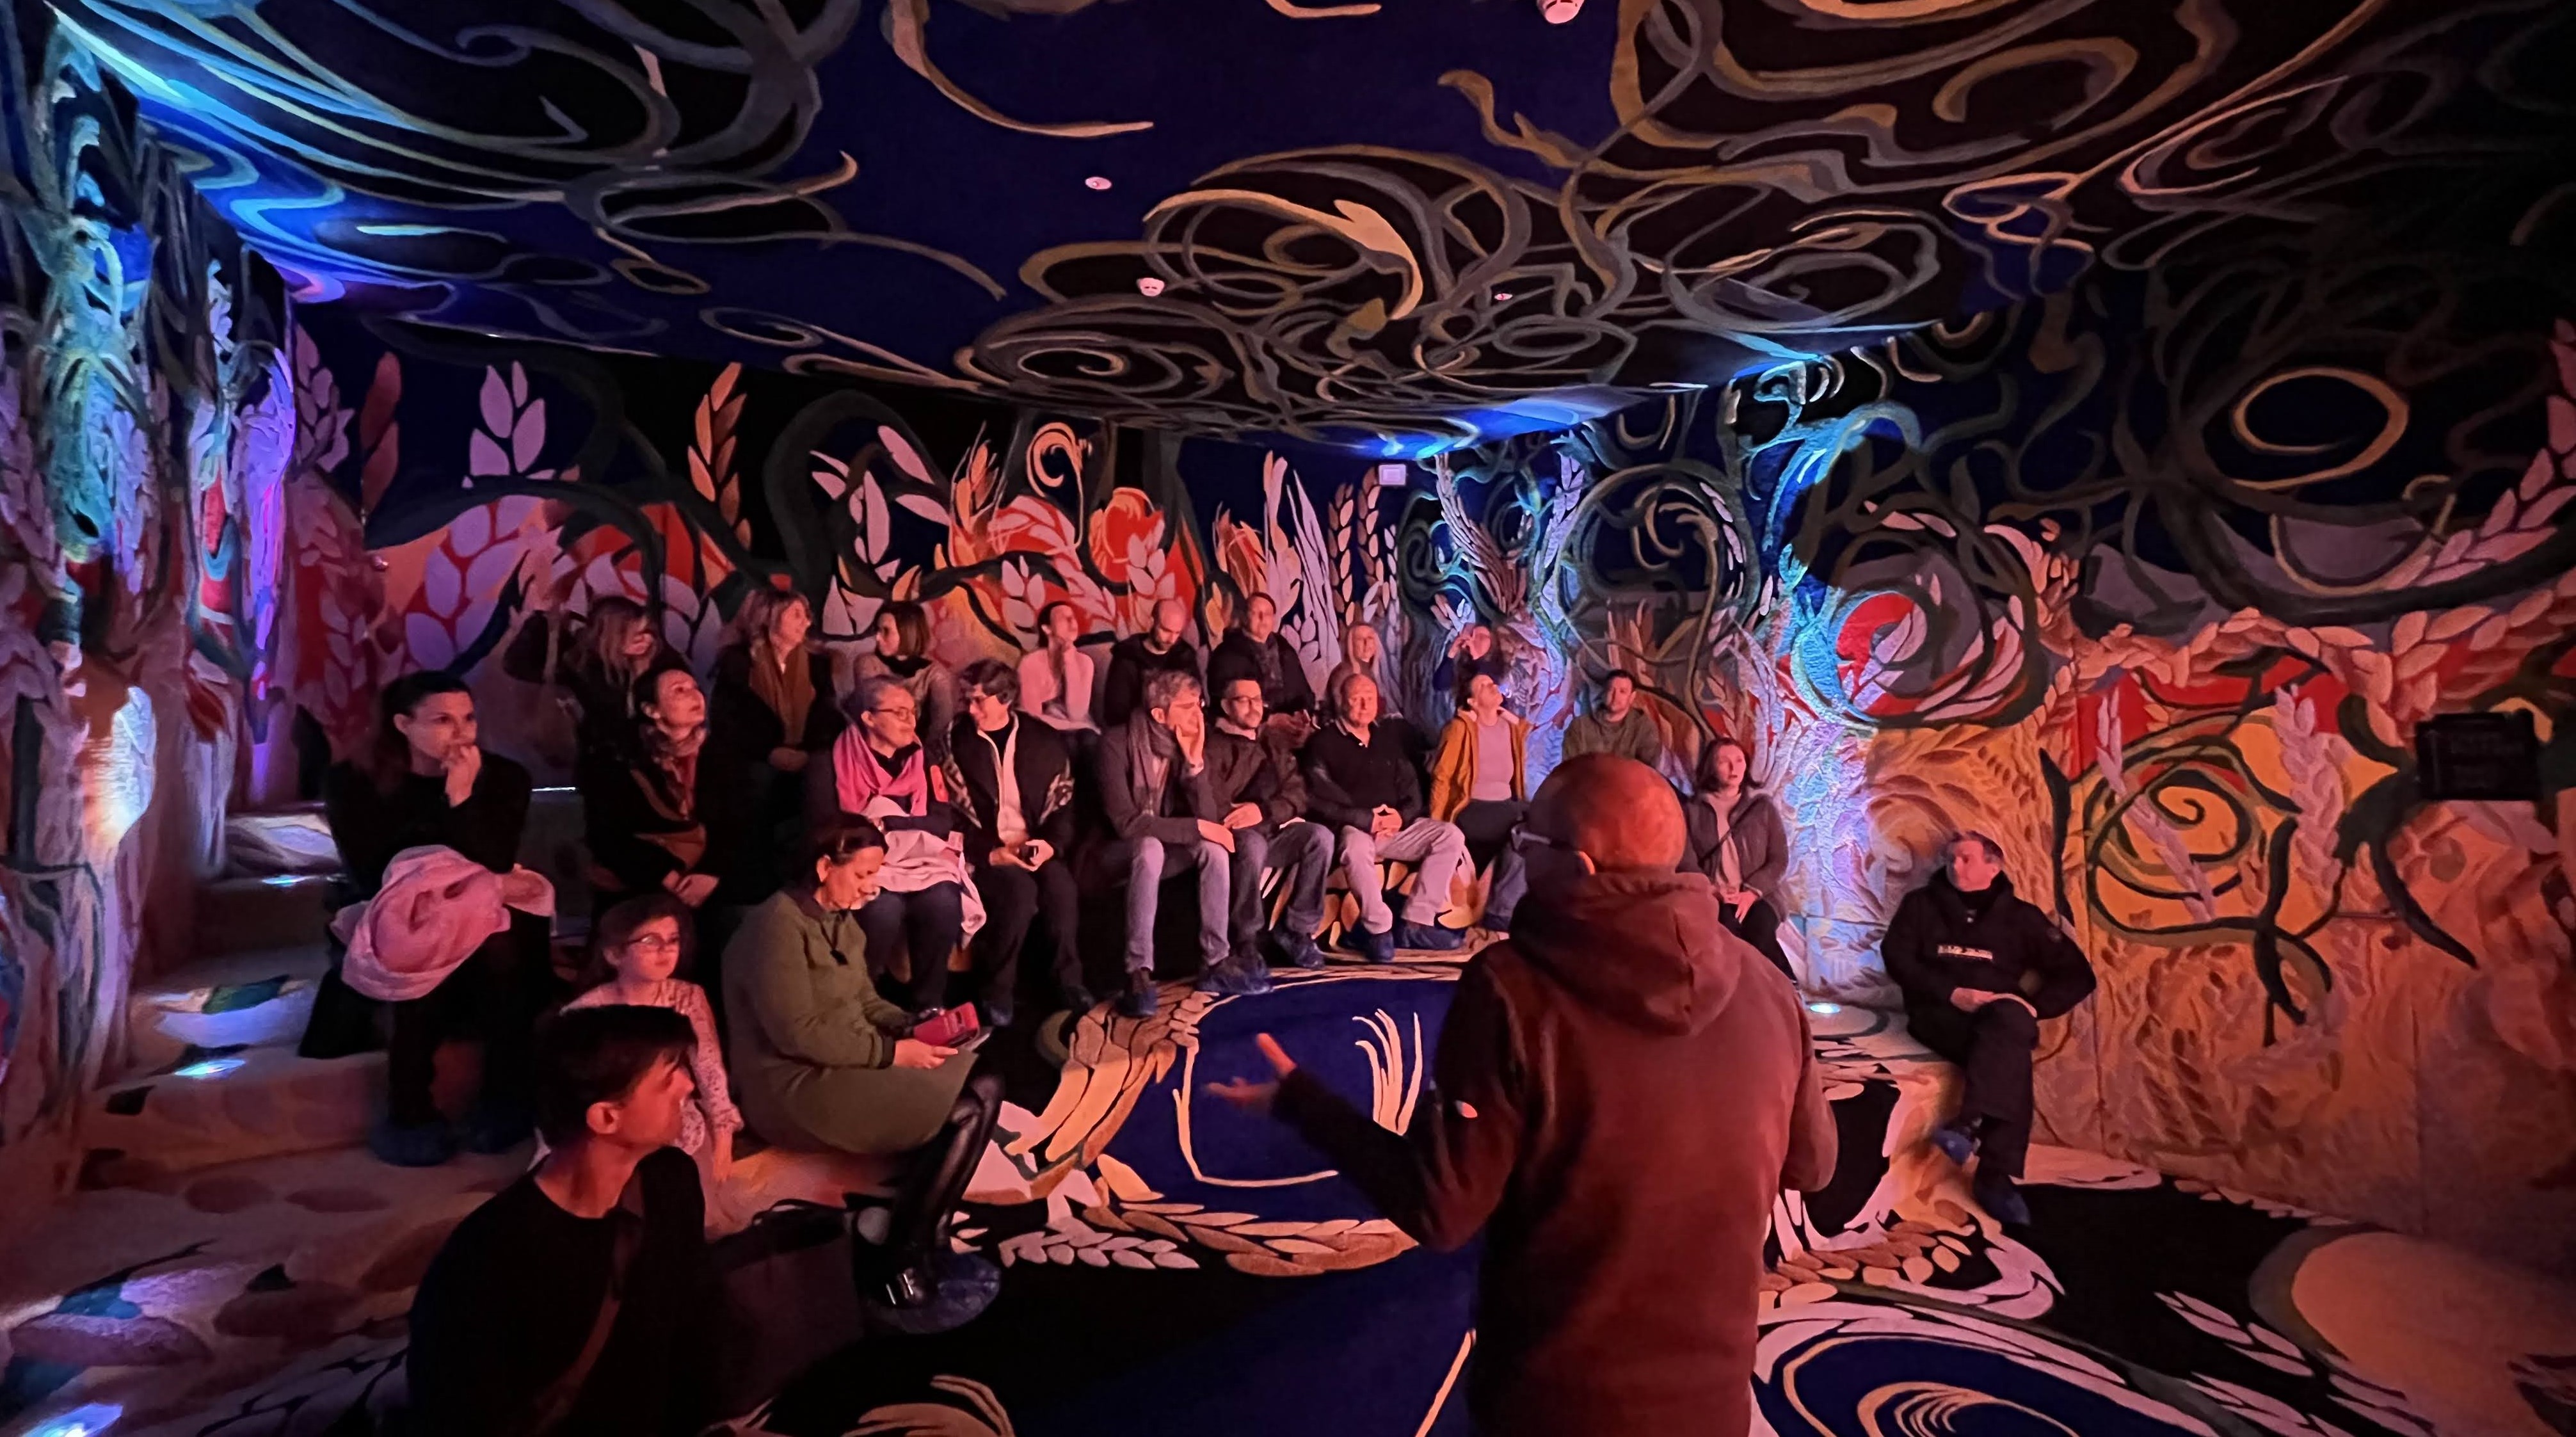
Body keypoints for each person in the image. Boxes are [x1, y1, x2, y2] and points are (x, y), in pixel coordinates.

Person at [1210, 755, 1837, 1437]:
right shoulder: (1768, 985)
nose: (1518, 854)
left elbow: (1442, 1207)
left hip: (1553, 1401)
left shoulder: (1509, 988)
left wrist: (1304, 1104)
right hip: (1712, 1405)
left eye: (1528, 840)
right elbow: (1813, 1165)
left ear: (1578, 866)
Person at [722, 820, 1005, 1303]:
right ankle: (901, 1256)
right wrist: (894, 1053)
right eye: (863, 874)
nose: (872, 887)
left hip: (844, 1058)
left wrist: (912, 1025)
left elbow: (865, 1001)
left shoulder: (839, 919)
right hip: (792, 1084)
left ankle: (929, 1230)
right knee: (966, 1109)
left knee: (988, 1078)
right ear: (823, 867)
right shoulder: (774, 928)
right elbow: (799, 1034)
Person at [405, 1004, 716, 1436]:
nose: (688, 1084)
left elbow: (684, 1324)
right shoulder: (488, 1259)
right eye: (668, 1078)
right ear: (606, 1117)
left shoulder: (670, 1180)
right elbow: (458, 1412)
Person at [306, 671, 552, 1167]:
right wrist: (445, 817)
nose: (461, 734)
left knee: (496, 941)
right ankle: (409, 1108)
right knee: (422, 940)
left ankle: (503, 1095)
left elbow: (493, 859)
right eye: (442, 720)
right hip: (391, 906)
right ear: (403, 724)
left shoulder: (503, 776)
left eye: (468, 719)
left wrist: (461, 797)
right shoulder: (352, 781)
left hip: (480, 900)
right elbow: (372, 871)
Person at [1880, 832, 2097, 1227]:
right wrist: (1952, 993)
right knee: (2011, 1050)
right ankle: (1993, 1174)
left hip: (1998, 1018)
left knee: (2010, 1025)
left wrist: (2035, 1007)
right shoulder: (1921, 906)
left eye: (1965, 858)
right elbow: (1897, 958)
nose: (1954, 866)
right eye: (1951, 859)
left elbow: (2079, 975)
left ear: (1993, 866)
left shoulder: (2022, 918)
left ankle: (1968, 1125)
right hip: (1938, 1016)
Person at [1096, 670, 1268, 1016]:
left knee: (1213, 848)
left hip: (1166, 847)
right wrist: (1199, 827)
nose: (1198, 714)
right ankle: (1138, 973)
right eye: (1187, 707)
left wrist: (1194, 765)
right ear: (1159, 714)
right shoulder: (1116, 743)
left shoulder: (1184, 743)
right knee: (1150, 847)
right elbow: (1126, 823)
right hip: (1115, 852)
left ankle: (1215, 961)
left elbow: (1208, 818)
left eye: (1199, 705)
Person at [809, 677, 977, 1012]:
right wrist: (884, 832)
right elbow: (824, 827)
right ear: (869, 718)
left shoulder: (923, 759)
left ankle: (928, 1006)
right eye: (899, 712)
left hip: (919, 862)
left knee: (944, 901)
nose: (910, 721)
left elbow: (941, 820)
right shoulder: (830, 761)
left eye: (913, 712)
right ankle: (861, 1003)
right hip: (864, 865)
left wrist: (890, 823)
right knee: (883, 910)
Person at [561, 895, 741, 1193]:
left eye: (673, 940)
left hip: (669, 1109)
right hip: (612, 1117)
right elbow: (570, 1091)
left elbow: (709, 1067)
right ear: (614, 954)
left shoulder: (688, 997)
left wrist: (723, 1133)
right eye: (650, 941)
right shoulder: (586, 1012)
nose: (666, 950)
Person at [945, 659, 1087, 1024]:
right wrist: (990, 853)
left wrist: (1051, 845)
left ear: (1005, 699)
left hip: (1034, 844)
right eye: (967, 700)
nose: (970, 709)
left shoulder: (1042, 739)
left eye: (979, 701)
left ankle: (1069, 983)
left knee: (1060, 888)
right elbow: (946, 814)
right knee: (1018, 893)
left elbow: (1065, 806)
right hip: (985, 852)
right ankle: (996, 992)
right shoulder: (952, 742)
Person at [1301, 671, 1469, 962]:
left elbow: (1411, 788)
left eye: (1370, 698)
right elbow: (1318, 800)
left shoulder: (1386, 739)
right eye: (1357, 698)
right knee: (1355, 848)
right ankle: (1377, 929)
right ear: (1342, 701)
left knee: (1449, 835)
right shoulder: (1322, 743)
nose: (1365, 705)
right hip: (1355, 828)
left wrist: (1400, 817)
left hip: (1393, 828)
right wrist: (1367, 819)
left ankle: (1416, 924)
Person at [707, 588, 841, 903]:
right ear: (770, 618)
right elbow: (729, 722)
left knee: (822, 775)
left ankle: (814, 878)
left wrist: (806, 752)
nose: (806, 622)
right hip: (758, 755)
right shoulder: (738, 662)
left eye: (807, 615)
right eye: (797, 614)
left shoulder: (818, 664)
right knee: (755, 781)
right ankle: (754, 888)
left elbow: (828, 717)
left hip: (805, 753)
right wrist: (770, 751)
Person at [1208, 676, 1333, 970]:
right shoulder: (1213, 745)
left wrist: (1264, 810)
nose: (1254, 707)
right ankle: (1246, 939)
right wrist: (1248, 813)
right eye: (1244, 700)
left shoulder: (1272, 742)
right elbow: (1215, 802)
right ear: (1226, 706)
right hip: (1235, 834)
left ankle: (1298, 930)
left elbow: (1298, 794)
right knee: (1253, 845)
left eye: (1258, 700)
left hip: (1272, 827)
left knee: (1320, 837)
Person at [577, 667, 723, 919]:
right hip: (644, 877)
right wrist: (667, 876)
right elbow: (607, 836)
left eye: (696, 688)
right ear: (652, 710)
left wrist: (711, 873)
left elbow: (737, 822)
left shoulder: (720, 754)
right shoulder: (617, 760)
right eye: (680, 690)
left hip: (707, 874)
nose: (695, 696)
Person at [501, 594, 680, 767]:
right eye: (634, 634)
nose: (646, 639)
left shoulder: (662, 660)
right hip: (605, 762)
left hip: (658, 758)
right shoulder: (582, 665)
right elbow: (517, 665)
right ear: (609, 636)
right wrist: (540, 620)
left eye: (648, 631)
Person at [1427, 671, 1532, 932]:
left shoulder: (1511, 727)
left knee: (1541, 824)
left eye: (1492, 682)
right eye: (1484, 686)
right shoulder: (1460, 730)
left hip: (1505, 805)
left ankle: (1514, 906)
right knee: (1525, 829)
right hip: (1472, 808)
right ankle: (1500, 912)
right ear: (1472, 702)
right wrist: (1437, 822)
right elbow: (1442, 776)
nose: (1493, 686)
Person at [1682, 737, 1793, 983]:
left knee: (1760, 932)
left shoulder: (1762, 808)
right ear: (1711, 766)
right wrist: (1713, 890)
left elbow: (1779, 859)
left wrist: (1751, 893)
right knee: (1726, 937)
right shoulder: (1693, 811)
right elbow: (1686, 860)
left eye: (1739, 760)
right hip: (1715, 895)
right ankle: (1740, 997)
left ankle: (1786, 989)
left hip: (1760, 896)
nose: (1734, 768)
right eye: (1724, 761)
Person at [853, 600, 958, 762]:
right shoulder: (868, 663)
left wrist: (919, 760)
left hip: (920, 754)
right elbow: (869, 713)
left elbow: (941, 728)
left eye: (886, 631)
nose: (878, 638)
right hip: (874, 750)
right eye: (877, 630)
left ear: (908, 633)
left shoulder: (936, 675)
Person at [1207, 591, 1316, 719]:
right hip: (1253, 723)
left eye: (1268, 614)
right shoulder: (1227, 654)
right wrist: (1269, 720)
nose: (1262, 618)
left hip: (1291, 721)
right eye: (1255, 613)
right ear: (1244, 616)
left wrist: (1302, 712)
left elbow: (1303, 690)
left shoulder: (1285, 649)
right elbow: (1226, 702)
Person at [1099, 597, 1203, 727]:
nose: (1172, 639)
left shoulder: (1185, 655)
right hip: (1138, 728)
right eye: (1166, 630)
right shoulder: (1127, 656)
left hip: (1181, 726)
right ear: (1152, 622)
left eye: (1177, 633)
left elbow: (1197, 698)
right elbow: (1115, 713)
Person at [1016, 599, 1098, 735]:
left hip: (1079, 730)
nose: (1072, 621)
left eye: (1073, 617)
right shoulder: (1030, 663)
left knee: (1088, 739)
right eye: (1063, 618)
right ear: (1047, 629)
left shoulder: (1085, 663)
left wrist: (1070, 662)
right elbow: (1032, 716)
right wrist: (1068, 725)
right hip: (1043, 730)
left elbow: (1077, 714)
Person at [1560, 668, 1663, 769]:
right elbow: (1570, 770)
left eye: (1622, 692)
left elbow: (1647, 772)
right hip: (1587, 780)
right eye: (1611, 690)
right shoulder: (1580, 726)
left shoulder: (1644, 728)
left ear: (1632, 697)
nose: (1615, 696)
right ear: (1604, 693)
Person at [1320, 620, 1398, 727]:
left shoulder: (1369, 671)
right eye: (1360, 639)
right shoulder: (1344, 672)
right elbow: (1342, 712)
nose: (1367, 643)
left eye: (1370, 638)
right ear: (1351, 644)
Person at [1428, 622, 1504, 712]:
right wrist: (1452, 653)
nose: (1474, 639)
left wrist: (1475, 657)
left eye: (1481, 637)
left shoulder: (1492, 672)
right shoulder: (1460, 661)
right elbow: (1440, 685)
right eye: (1472, 634)